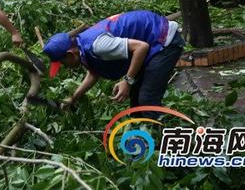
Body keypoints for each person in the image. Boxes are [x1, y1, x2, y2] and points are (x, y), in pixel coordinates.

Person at [43, 10, 185, 119]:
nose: (65, 67)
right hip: (149, 43)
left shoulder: (99, 46)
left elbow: (141, 47)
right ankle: (143, 134)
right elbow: (93, 73)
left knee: (147, 99)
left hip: (164, 41)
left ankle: (161, 143)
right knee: (136, 100)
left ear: (70, 54)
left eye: (63, 63)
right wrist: (73, 98)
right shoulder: (81, 45)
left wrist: (127, 81)